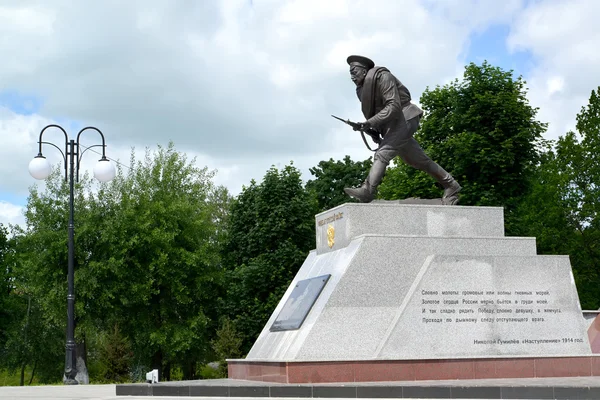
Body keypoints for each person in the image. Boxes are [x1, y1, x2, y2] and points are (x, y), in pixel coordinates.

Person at [343, 55, 461, 205]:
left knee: (383, 153)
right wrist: (368, 129)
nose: (352, 76)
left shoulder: (383, 77)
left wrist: (369, 122)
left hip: (406, 117)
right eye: (350, 73)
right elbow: (375, 114)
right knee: (418, 160)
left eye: (354, 71)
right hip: (391, 126)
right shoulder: (361, 90)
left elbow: (393, 106)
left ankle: (368, 191)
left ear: (365, 71)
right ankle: (451, 185)